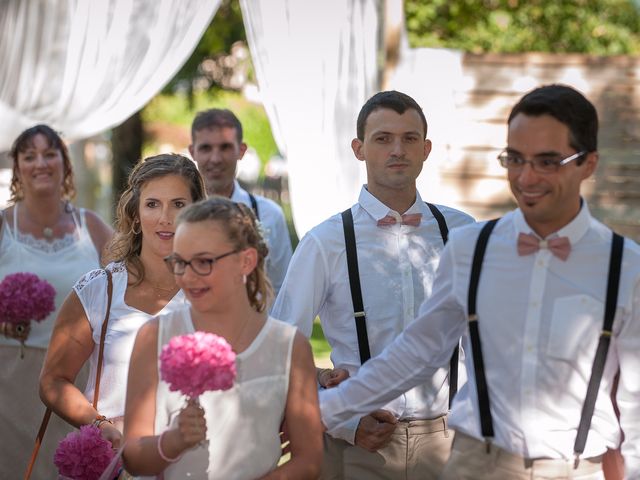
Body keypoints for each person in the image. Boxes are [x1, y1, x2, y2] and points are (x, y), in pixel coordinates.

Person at [319, 85, 640, 479]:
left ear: (588, 164)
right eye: (515, 159)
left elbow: (635, 398)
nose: (526, 177)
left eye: (547, 162)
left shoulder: (625, 266)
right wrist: (329, 411)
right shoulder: (472, 246)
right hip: (475, 464)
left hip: (576, 470)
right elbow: (418, 351)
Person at [271, 90, 475, 479]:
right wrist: (346, 423)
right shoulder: (324, 242)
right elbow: (280, 349)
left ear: (426, 148)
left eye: (409, 138)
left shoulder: (463, 233)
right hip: (357, 447)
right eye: (383, 139)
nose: (397, 150)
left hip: (450, 445)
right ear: (359, 148)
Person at [122, 197, 322, 479]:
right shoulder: (155, 336)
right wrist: (173, 441)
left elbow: (309, 459)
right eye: (180, 262)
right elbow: (133, 457)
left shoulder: (289, 346)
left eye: (204, 261)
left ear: (246, 261)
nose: (188, 277)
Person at [39, 154, 206, 461]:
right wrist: (98, 425)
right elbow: (53, 380)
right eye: (153, 204)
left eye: (179, 204)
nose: (165, 217)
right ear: (136, 213)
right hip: (116, 461)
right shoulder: (99, 289)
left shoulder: (212, 292)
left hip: (194, 462)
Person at [0, 124, 113, 478]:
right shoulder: (3, 226)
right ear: (17, 168)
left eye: (50, 153)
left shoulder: (91, 227)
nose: (40, 163)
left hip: (76, 381)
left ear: (65, 164)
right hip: (10, 377)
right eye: (29, 156)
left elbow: (127, 285)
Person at [189, 108, 292, 297]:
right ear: (192, 151)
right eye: (206, 148)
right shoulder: (177, 214)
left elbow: (283, 290)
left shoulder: (269, 214)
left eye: (225, 147)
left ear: (241, 150)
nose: (216, 158)